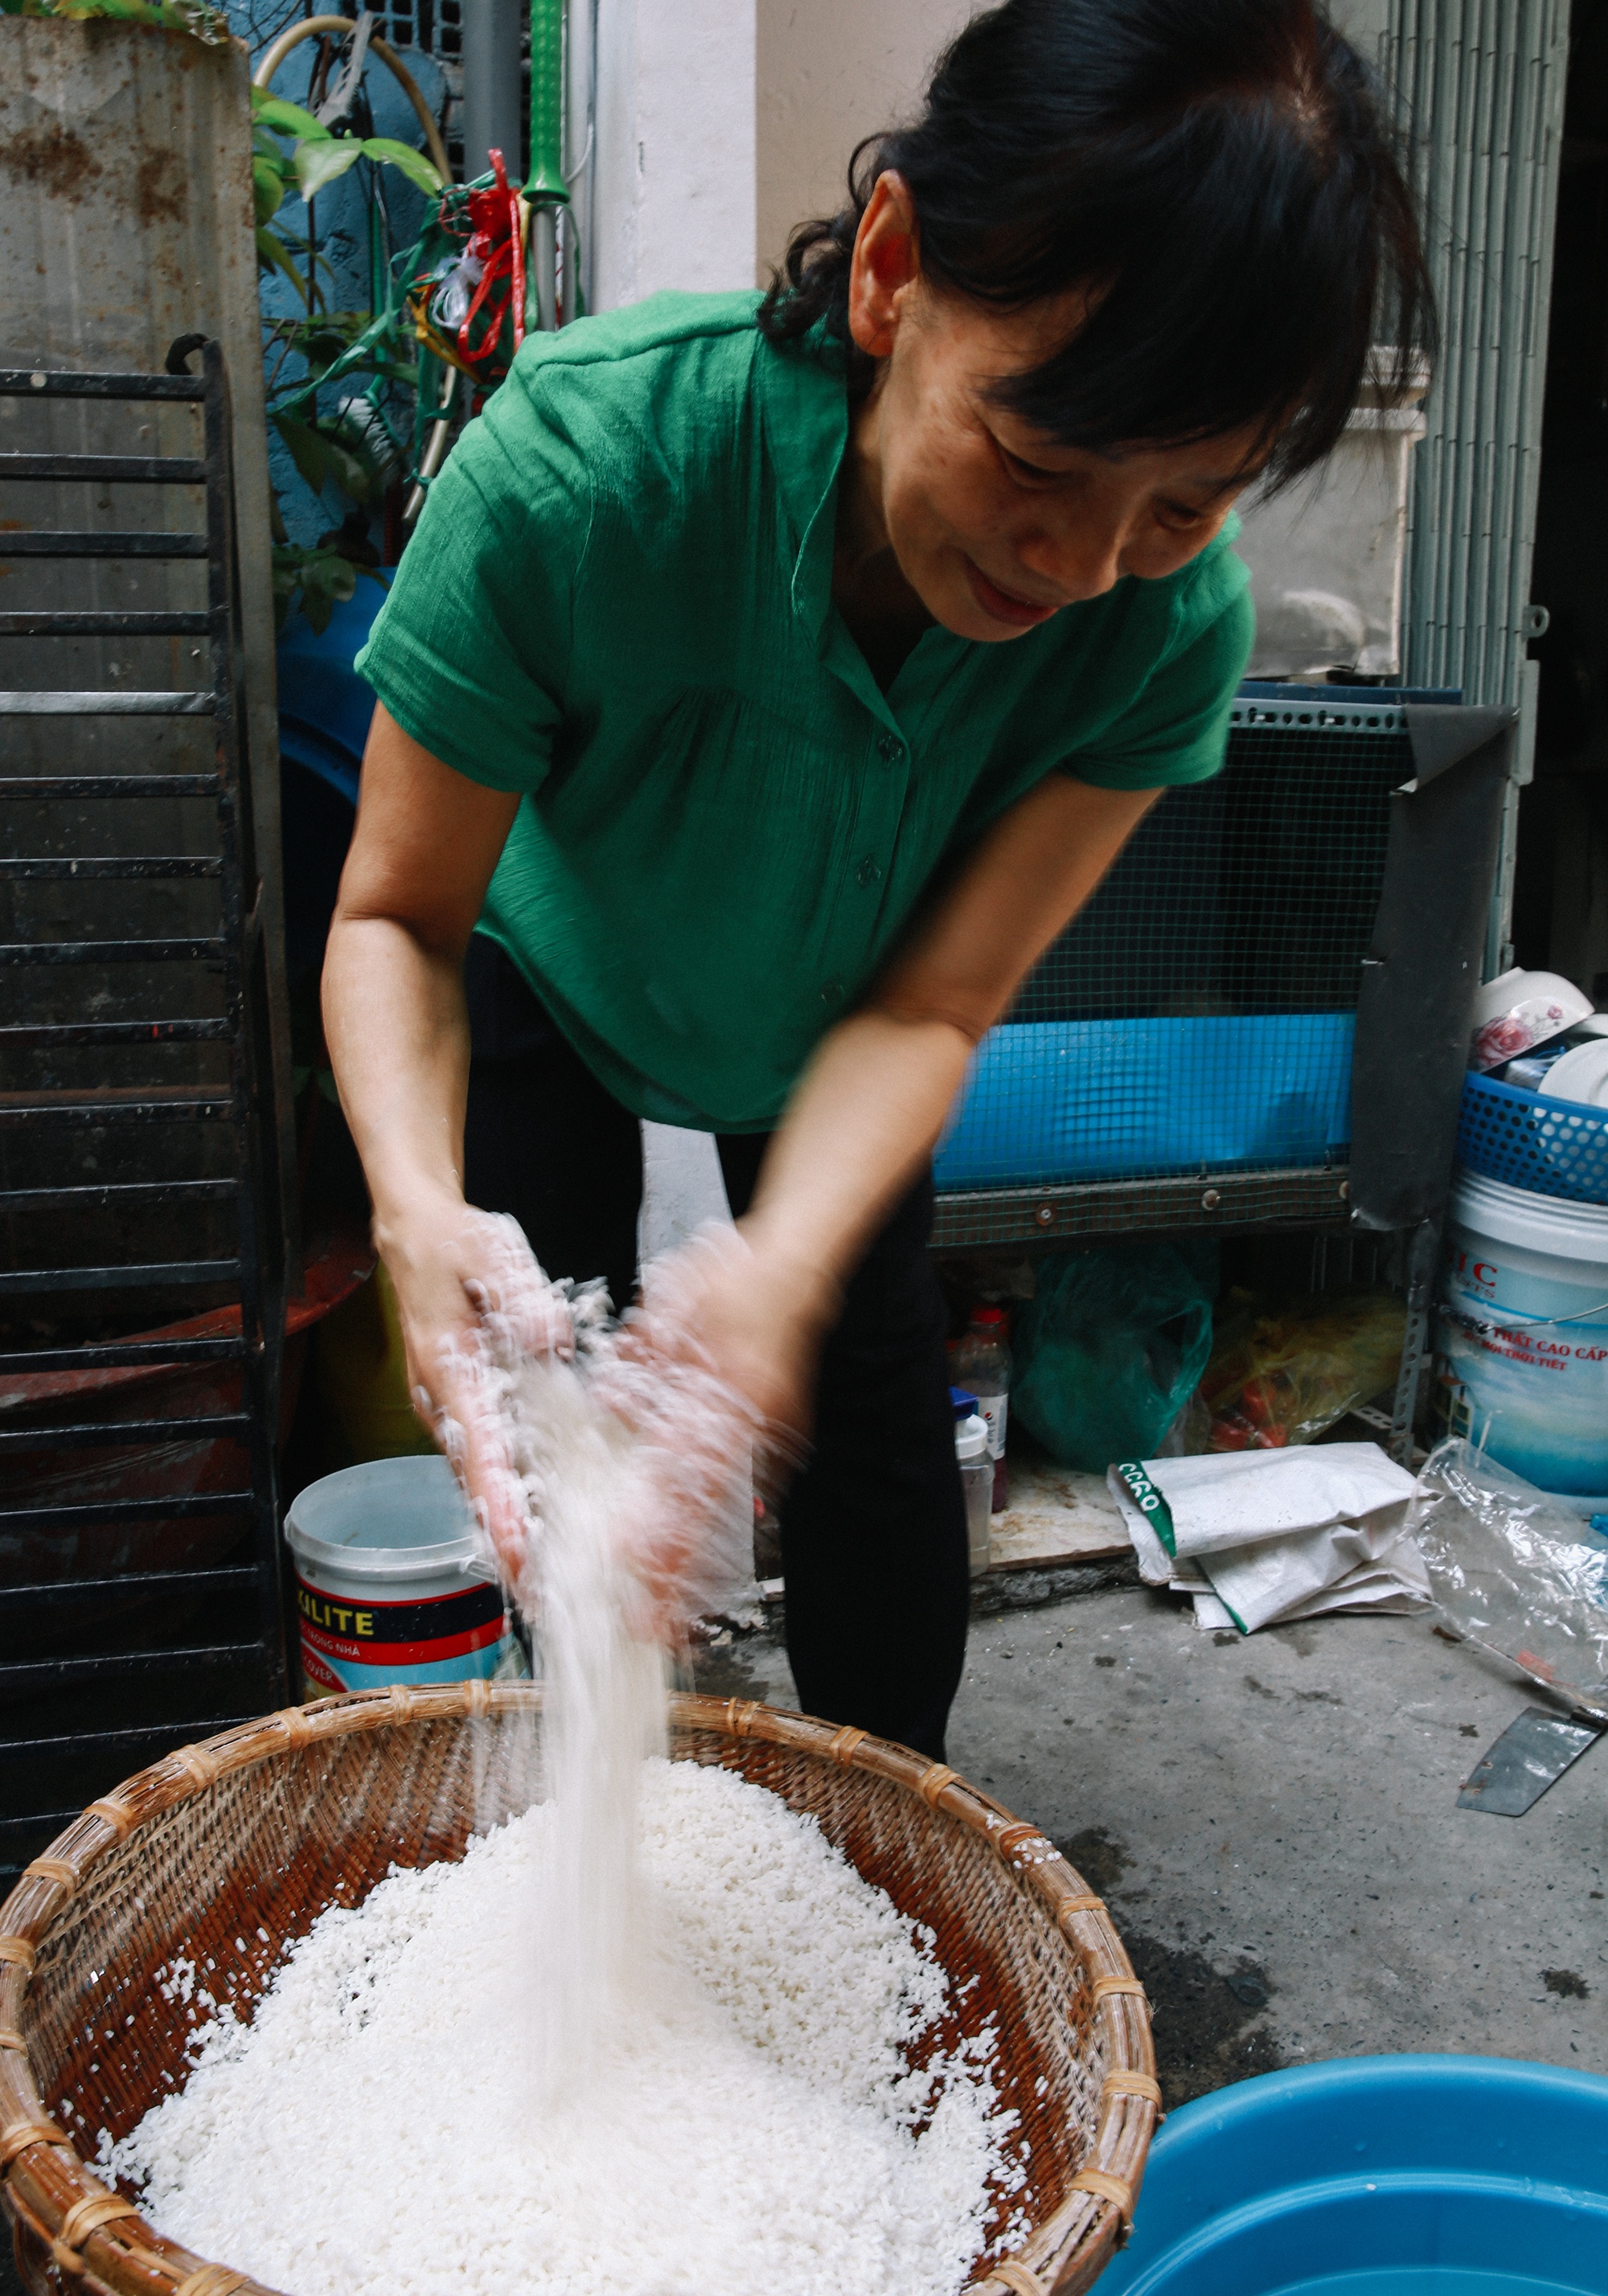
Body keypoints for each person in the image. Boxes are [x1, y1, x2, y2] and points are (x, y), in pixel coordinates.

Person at [322, 0, 1432, 1759]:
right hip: (559, 951)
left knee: (860, 1395)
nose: (1080, 568)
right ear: (895, 269)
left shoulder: (1161, 634)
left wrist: (771, 1272)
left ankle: (882, 1837)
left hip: (851, 1002)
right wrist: (408, 1203)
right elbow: (398, 917)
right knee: (555, 1420)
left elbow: (935, 999)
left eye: (1183, 505)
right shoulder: (587, 471)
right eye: (1036, 462)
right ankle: (572, 1801)